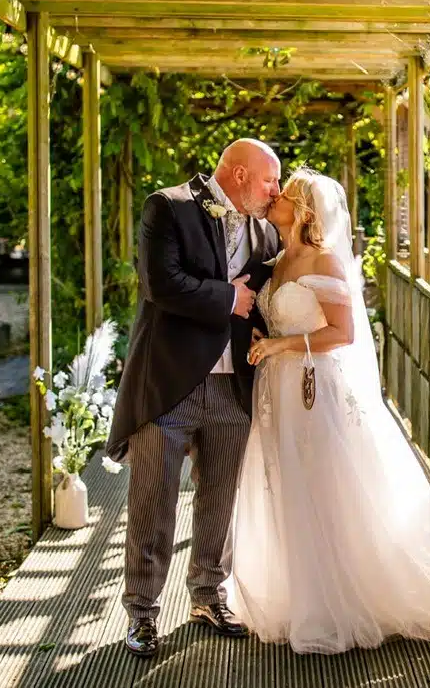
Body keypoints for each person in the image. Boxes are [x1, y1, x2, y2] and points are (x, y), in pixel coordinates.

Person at [228, 167, 430, 654]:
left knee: (327, 483)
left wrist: (282, 345)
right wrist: (264, 342)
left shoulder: (326, 262)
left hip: (314, 388)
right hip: (277, 387)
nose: (274, 198)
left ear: (303, 209)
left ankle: (343, 599)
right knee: (287, 482)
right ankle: (301, 593)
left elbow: (342, 335)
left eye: (283, 194)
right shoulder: (277, 259)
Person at [106, 139, 281, 658]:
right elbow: (162, 283)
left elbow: (268, 298)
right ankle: (141, 614)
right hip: (169, 385)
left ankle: (207, 596)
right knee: (152, 505)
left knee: (220, 502)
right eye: (270, 180)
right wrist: (230, 297)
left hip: (234, 390)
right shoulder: (169, 206)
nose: (276, 190)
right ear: (241, 173)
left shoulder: (265, 228)